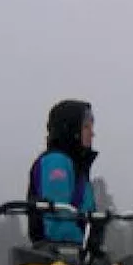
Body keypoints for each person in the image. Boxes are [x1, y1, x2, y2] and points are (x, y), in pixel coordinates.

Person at [27, 99, 98, 246]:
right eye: (86, 127)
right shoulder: (56, 162)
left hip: (78, 253)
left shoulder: (77, 168)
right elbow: (58, 219)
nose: (92, 133)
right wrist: (82, 246)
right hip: (61, 254)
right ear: (72, 131)